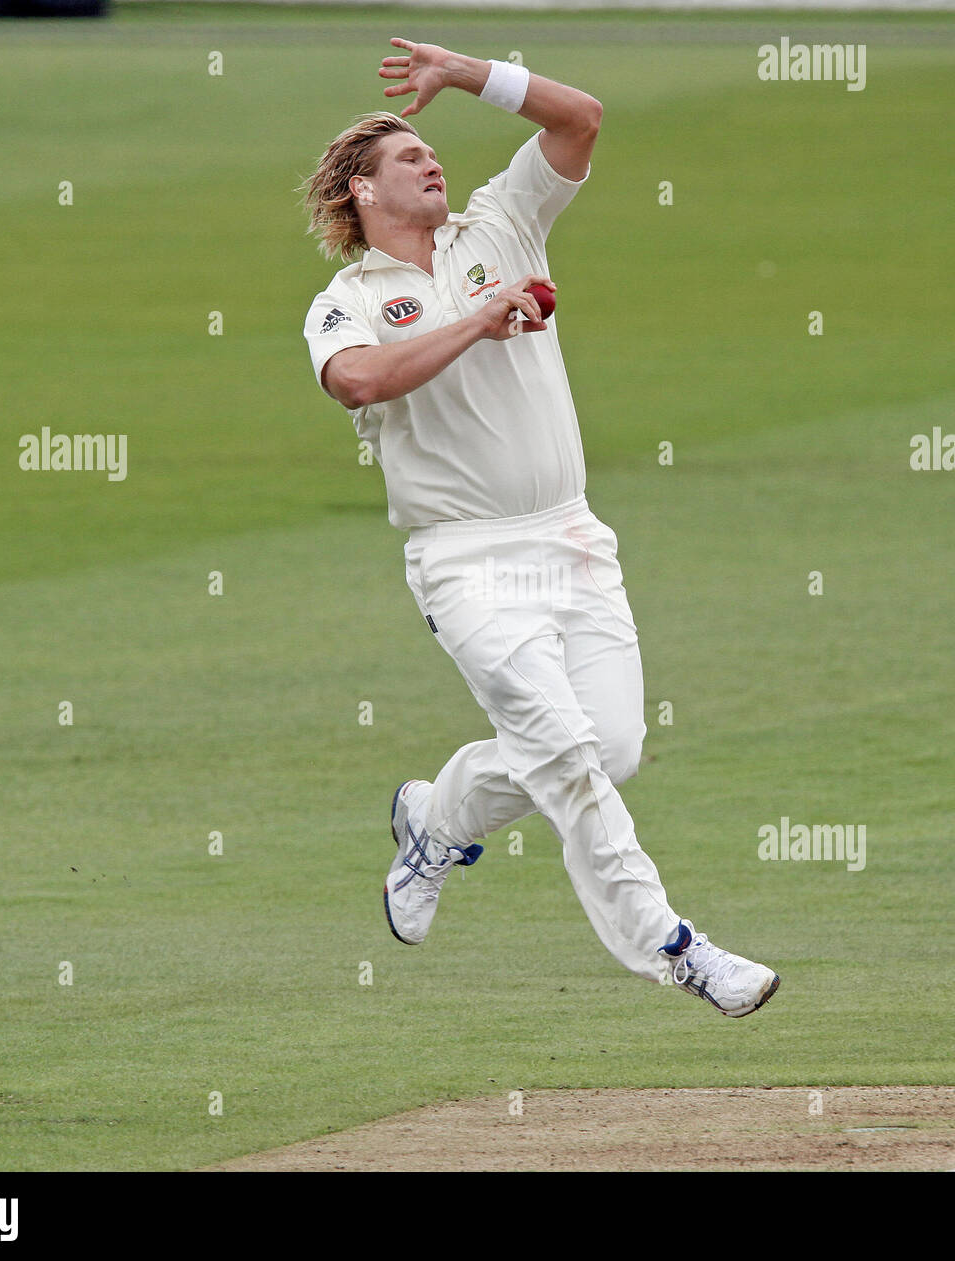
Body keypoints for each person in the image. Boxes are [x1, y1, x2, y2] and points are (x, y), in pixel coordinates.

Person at [302, 38, 779, 1017]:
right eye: (403, 157)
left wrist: (470, 74)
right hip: (464, 560)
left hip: (568, 538)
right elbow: (359, 380)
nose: (429, 161)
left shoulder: (504, 225)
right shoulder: (344, 303)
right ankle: (675, 948)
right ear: (356, 192)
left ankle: (435, 821)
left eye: (430, 152)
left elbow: (580, 118)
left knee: (610, 748)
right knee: (559, 748)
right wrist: (476, 322)